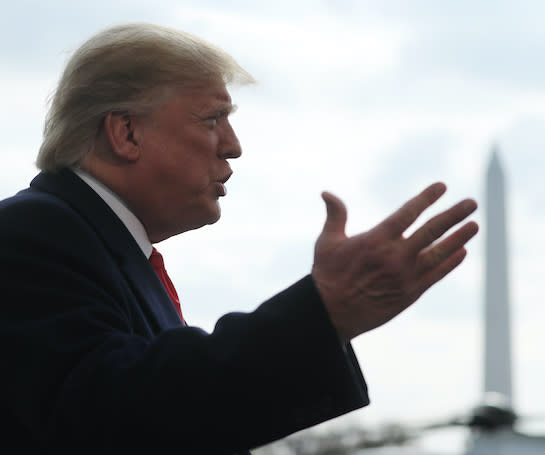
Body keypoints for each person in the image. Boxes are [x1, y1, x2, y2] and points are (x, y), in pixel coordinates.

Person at [0, 23, 478, 454]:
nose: (233, 145)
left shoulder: (89, 241)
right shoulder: (31, 234)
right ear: (126, 132)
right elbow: (116, 419)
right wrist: (323, 314)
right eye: (212, 119)